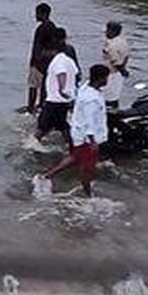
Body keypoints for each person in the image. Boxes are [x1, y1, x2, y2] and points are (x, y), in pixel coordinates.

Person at [41, 64, 109, 196]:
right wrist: (93, 141)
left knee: (75, 156)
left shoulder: (85, 88)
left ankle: (48, 175)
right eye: (106, 78)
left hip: (77, 132)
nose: (107, 81)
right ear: (101, 79)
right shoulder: (92, 99)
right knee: (87, 167)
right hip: (86, 137)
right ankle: (87, 192)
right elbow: (89, 121)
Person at [35, 27, 76, 144]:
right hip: (64, 101)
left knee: (42, 126)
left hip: (55, 101)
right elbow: (76, 74)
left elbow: (61, 73)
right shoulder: (69, 59)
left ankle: (31, 146)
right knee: (62, 125)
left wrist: (62, 89)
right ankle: (72, 145)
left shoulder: (59, 60)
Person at [25, 2, 57, 114]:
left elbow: (38, 46)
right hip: (48, 62)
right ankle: (42, 105)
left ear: (43, 14)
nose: (35, 16)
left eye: (37, 13)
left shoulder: (41, 28)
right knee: (44, 86)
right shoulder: (53, 26)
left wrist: (35, 62)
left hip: (38, 62)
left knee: (33, 86)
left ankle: (30, 108)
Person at [102, 21, 130, 110]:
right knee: (115, 94)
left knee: (109, 96)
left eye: (108, 30)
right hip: (119, 73)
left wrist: (122, 71)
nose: (105, 32)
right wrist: (124, 69)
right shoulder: (123, 41)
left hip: (112, 73)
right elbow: (126, 56)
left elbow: (115, 62)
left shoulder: (111, 45)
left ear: (113, 31)